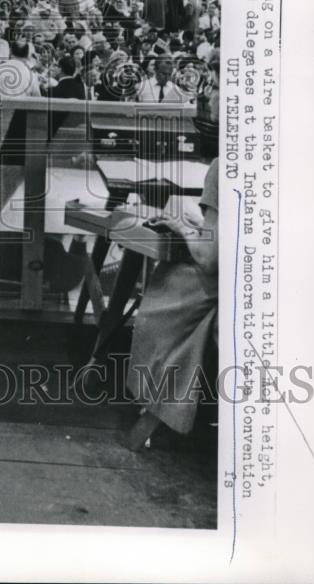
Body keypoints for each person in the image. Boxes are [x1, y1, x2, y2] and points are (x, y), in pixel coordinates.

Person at [127, 156, 219, 438]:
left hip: (236, 288)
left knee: (168, 288)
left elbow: (209, 258)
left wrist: (183, 228)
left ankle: (155, 403)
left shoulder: (226, 164)